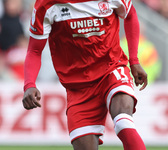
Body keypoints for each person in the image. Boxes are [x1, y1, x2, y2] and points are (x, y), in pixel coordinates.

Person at [22, 0, 148, 150]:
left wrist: (134, 61)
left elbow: (130, 14)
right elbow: (34, 51)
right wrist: (29, 84)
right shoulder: (47, 4)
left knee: (123, 121)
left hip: (111, 69)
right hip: (78, 88)